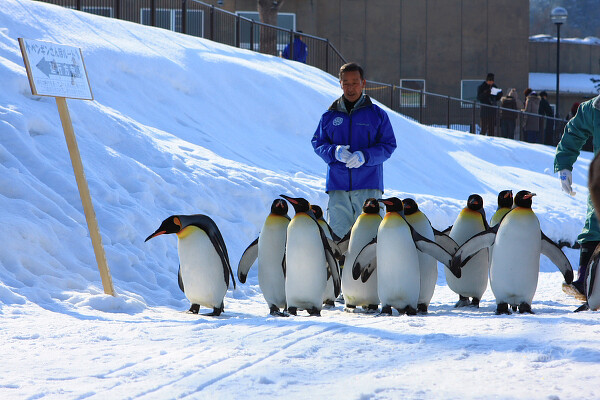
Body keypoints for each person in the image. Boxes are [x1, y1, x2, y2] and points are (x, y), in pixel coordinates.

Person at [311, 62, 397, 239]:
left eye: (355, 82)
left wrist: (365, 155)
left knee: (369, 242)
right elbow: (318, 143)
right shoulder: (329, 116)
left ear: (363, 83)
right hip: (338, 189)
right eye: (346, 83)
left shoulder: (377, 115)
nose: (351, 88)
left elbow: (388, 145)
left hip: (369, 188)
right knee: (339, 241)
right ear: (340, 83)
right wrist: (334, 152)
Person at [554, 94, 600, 299]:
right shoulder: (595, 108)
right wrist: (564, 164)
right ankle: (584, 281)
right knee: (594, 225)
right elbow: (573, 133)